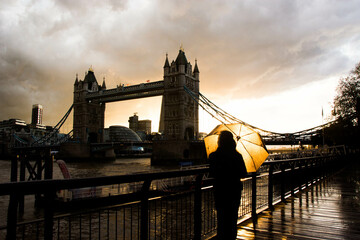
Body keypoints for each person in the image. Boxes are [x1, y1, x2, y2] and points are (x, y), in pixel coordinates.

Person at [209, 130, 247, 240]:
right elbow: (243, 173)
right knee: (232, 219)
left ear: (219, 141)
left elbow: (212, 173)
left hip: (220, 191)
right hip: (234, 191)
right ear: (232, 141)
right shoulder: (237, 156)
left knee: (221, 219)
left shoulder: (214, 156)